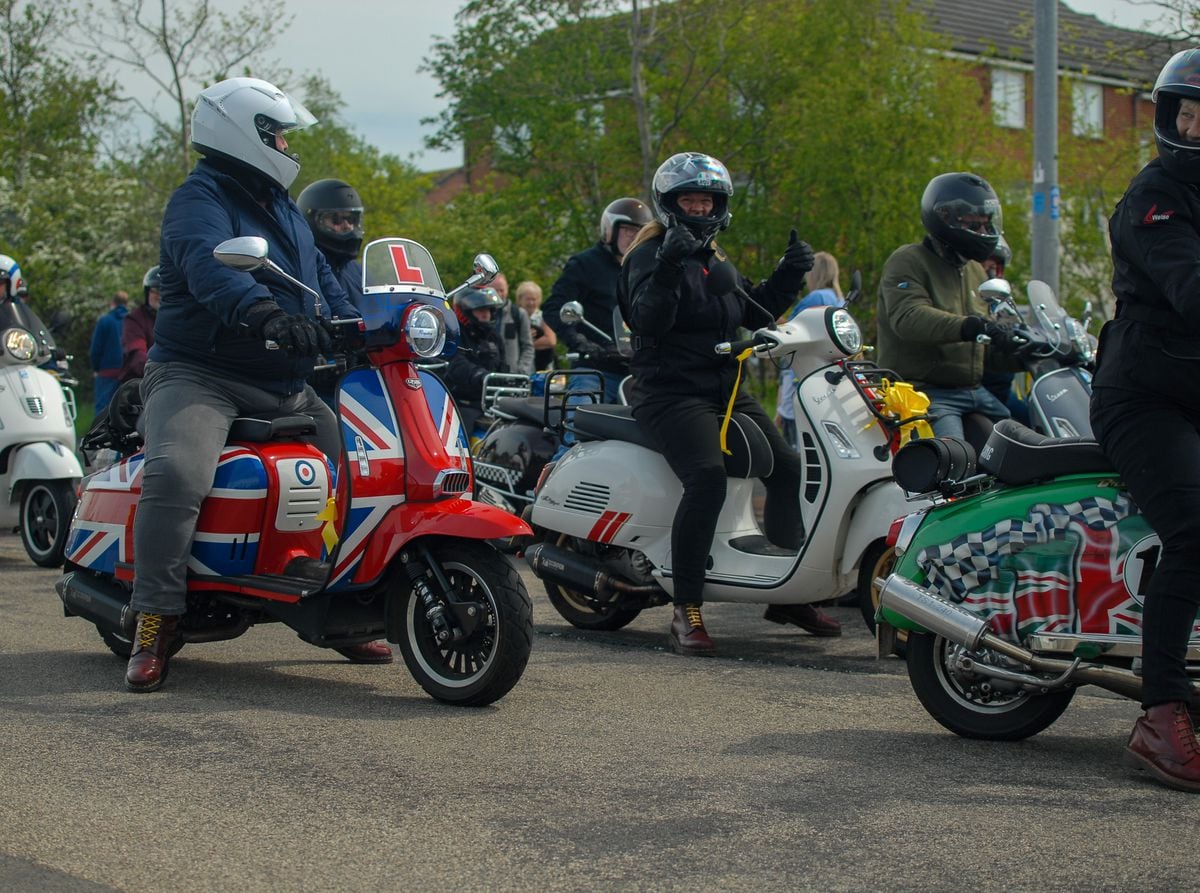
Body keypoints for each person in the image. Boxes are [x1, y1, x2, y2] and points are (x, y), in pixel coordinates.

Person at [123, 76, 384, 695]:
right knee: (178, 473)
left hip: (283, 379)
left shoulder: (284, 209)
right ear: (245, 133)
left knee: (353, 467)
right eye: (278, 133)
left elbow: (323, 278)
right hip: (201, 374)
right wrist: (267, 315)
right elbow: (215, 272)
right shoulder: (198, 200)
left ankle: (339, 604)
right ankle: (154, 617)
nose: (288, 144)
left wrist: (368, 322)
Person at [618, 151, 819, 655]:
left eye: (708, 201)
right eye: (690, 199)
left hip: (724, 389)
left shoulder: (717, 259)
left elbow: (755, 311)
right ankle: (687, 608)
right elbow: (648, 322)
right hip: (668, 391)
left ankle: (787, 591)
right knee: (706, 476)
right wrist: (667, 266)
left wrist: (790, 274)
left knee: (790, 465)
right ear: (669, 204)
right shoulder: (646, 256)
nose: (700, 209)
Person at [1091, 48, 1200, 792]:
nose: (1191, 125)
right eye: (1184, 111)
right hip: (1143, 394)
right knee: (1196, 528)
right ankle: (1160, 713)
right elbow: (1189, 285)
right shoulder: (1154, 198)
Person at [875, 172, 1020, 441]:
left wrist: (1021, 349)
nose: (985, 233)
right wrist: (971, 326)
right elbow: (908, 317)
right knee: (953, 461)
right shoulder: (909, 260)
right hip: (923, 390)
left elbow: (981, 351)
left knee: (1021, 445)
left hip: (973, 390)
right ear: (945, 219)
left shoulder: (974, 270)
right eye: (975, 226)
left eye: (988, 225)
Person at [544, 197, 654, 401]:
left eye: (640, 231)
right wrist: (580, 341)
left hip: (639, 372)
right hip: (595, 369)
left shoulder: (648, 269)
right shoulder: (585, 264)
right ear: (609, 230)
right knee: (580, 419)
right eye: (627, 230)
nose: (633, 236)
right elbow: (554, 308)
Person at [297, 177, 366, 404]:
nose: (347, 227)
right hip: (317, 385)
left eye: (351, 219)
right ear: (312, 221)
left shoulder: (360, 272)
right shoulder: (302, 271)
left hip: (363, 378)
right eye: (336, 220)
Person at [774, 252, 845, 450]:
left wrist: (769, 315)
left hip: (800, 374)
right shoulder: (837, 298)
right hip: (827, 374)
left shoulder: (816, 297)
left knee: (796, 439)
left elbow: (791, 332)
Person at [443, 286, 510, 434]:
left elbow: (503, 367)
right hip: (462, 403)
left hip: (492, 403)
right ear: (466, 312)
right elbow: (456, 364)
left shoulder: (494, 336)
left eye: (488, 310)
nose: (486, 314)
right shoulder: (453, 333)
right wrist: (480, 375)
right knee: (459, 438)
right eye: (480, 310)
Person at [119, 266, 161, 382]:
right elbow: (137, 355)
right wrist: (160, 371)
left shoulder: (177, 317)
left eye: (166, 290)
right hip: (140, 381)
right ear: (147, 292)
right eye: (156, 291)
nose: (160, 296)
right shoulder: (135, 319)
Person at [90, 291, 129, 414]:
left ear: (112, 303)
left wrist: (96, 368)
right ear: (126, 304)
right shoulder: (131, 321)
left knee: (103, 409)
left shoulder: (105, 321)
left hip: (107, 371)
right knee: (124, 410)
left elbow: (96, 349)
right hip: (127, 372)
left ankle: (102, 433)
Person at [491, 272, 535, 375]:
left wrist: (521, 370)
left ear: (507, 288)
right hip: (488, 374)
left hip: (512, 374)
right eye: (495, 290)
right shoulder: (482, 314)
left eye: (501, 290)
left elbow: (528, 346)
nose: (499, 294)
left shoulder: (518, 314)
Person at [516, 279, 557, 371]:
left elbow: (551, 340)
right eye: (528, 299)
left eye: (534, 299)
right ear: (520, 299)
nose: (531, 303)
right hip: (520, 365)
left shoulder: (543, 317)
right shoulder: (514, 316)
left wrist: (526, 343)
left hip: (542, 367)